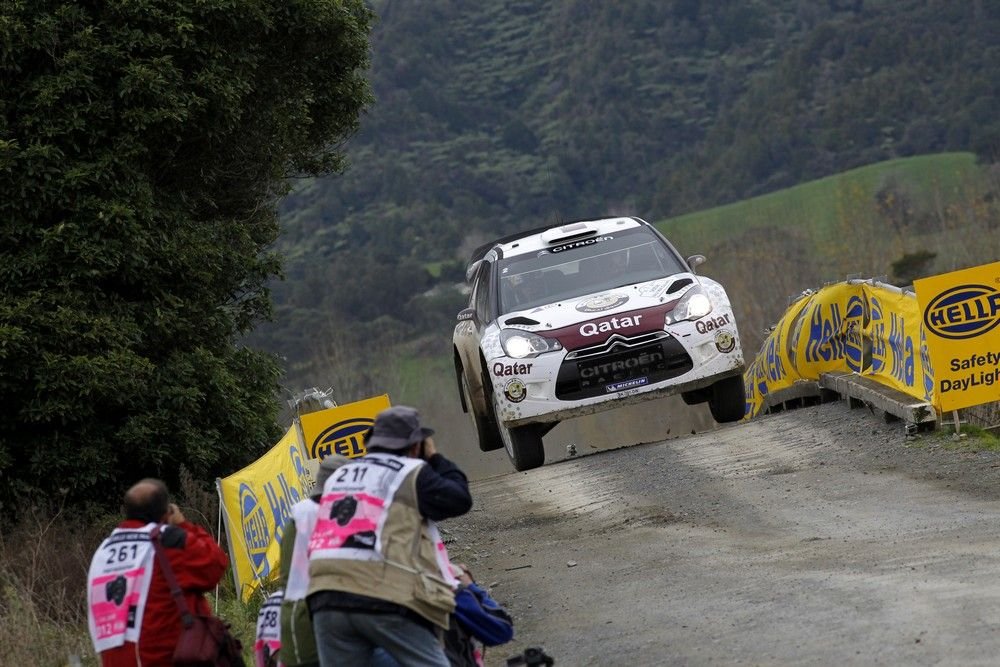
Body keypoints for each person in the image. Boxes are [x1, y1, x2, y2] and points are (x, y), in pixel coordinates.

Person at [307, 405, 474, 667]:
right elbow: (460, 499)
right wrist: (435, 457)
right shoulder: (409, 472)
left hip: (324, 596)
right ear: (416, 446)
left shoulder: (340, 474)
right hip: (381, 593)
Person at [87, 478, 229, 666]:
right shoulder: (167, 541)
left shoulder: (105, 548)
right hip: (163, 658)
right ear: (165, 513)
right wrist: (182, 524)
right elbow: (216, 564)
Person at [277, 454, 351, 667]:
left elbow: (287, 574)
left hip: (299, 616)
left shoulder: (298, 515)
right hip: (317, 617)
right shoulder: (344, 515)